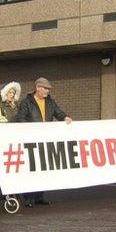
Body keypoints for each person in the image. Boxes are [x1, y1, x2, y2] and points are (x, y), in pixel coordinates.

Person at [15, 77, 72, 206]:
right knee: (31, 169)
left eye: (48, 89)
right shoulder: (26, 102)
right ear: (38, 88)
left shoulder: (51, 102)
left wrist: (65, 117)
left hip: (44, 141)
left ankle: (40, 196)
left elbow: (58, 113)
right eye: (45, 88)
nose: (47, 91)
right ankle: (29, 197)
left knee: (43, 169)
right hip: (30, 141)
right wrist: (33, 129)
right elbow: (21, 119)